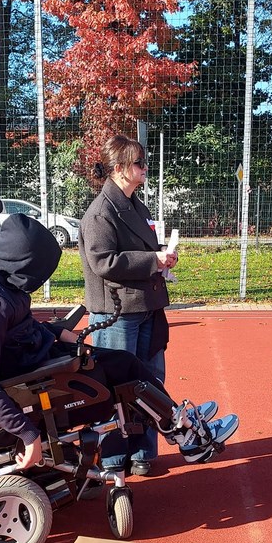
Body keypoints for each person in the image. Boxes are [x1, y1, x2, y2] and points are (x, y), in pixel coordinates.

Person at [0, 214, 238, 472]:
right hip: (32, 380)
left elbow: (16, 327)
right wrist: (28, 434)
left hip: (34, 354)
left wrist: (56, 333)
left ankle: (179, 422)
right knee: (126, 378)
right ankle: (187, 433)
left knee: (125, 363)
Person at [78, 133, 185, 476]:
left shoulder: (136, 205)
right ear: (119, 168)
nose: (145, 168)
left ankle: (142, 453)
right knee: (114, 388)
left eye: (143, 162)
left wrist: (161, 258)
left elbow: (141, 252)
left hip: (145, 307)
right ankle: (113, 459)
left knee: (148, 385)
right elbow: (103, 262)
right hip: (117, 313)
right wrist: (153, 260)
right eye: (139, 163)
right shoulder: (100, 212)